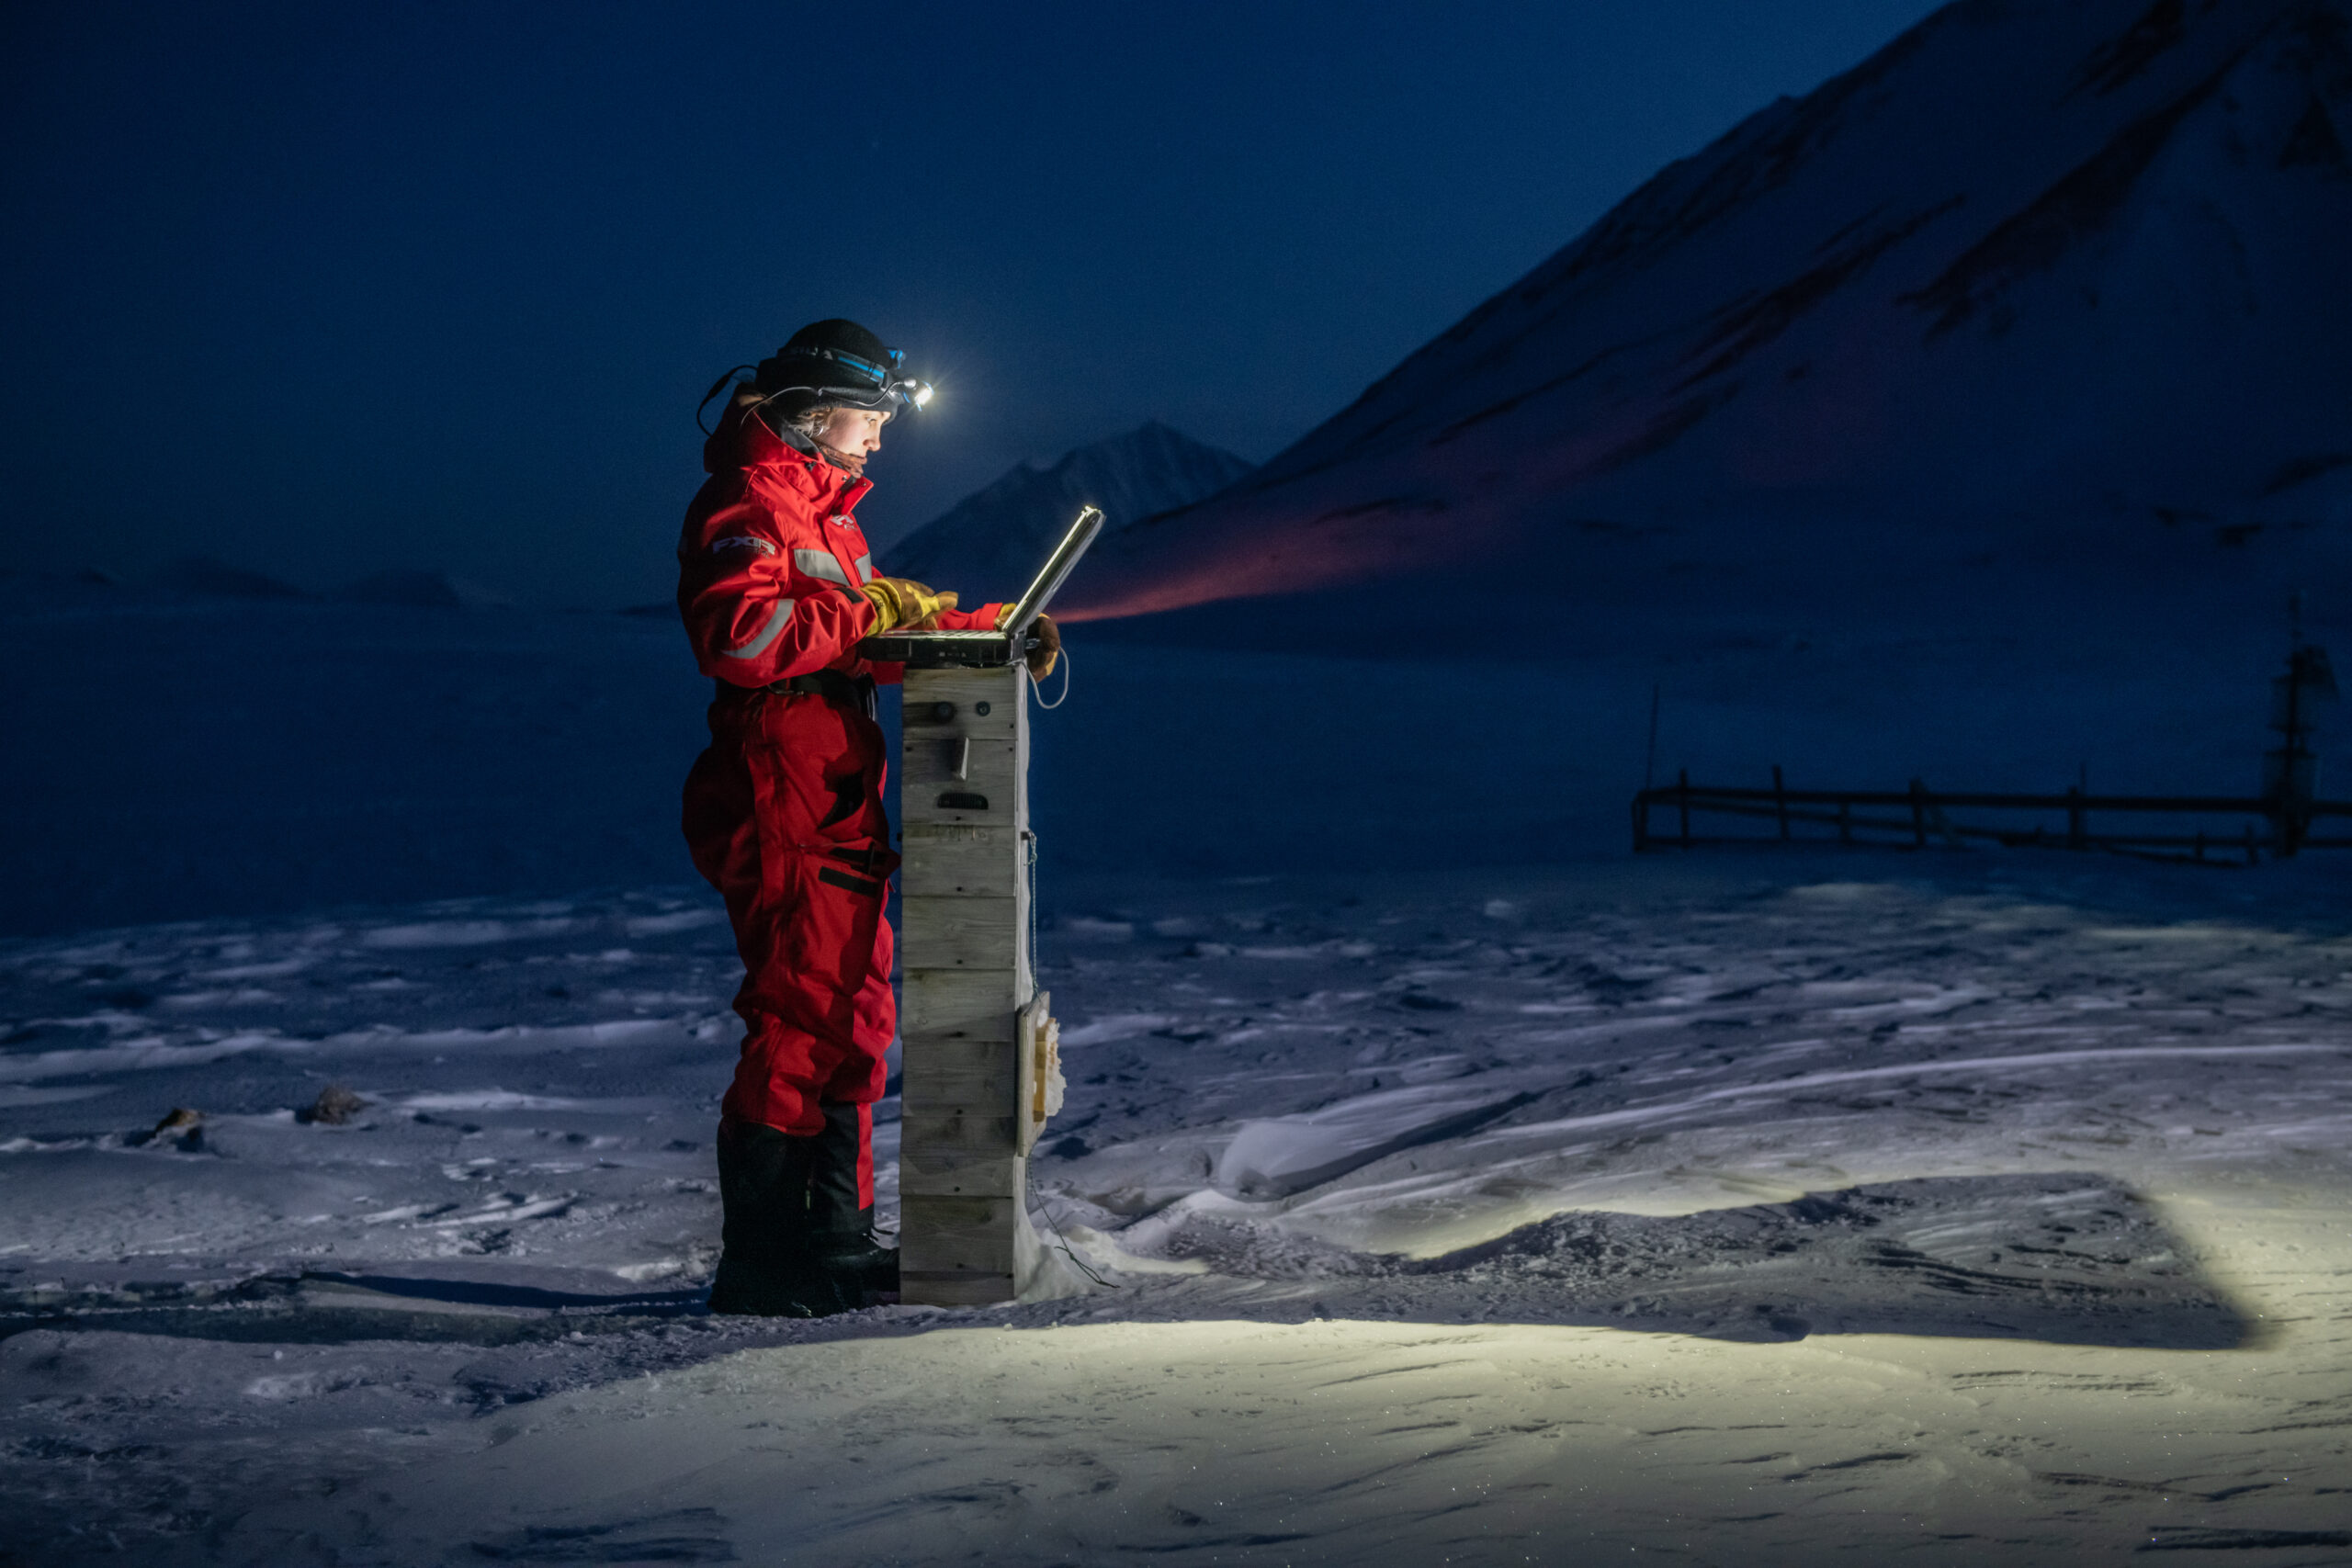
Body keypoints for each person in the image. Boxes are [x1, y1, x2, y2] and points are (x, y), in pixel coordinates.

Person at [675, 319, 1058, 1317]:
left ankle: (833, 1239)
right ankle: (764, 1260)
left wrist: (984, 631)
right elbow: (745, 637)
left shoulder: (825, 515)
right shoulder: (752, 500)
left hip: (835, 789)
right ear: (812, 412)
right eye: (869, 416)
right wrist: (876, 613)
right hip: (781, 785)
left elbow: (847, 636)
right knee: (801, 1014)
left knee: (853, 1013)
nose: (879, 438)